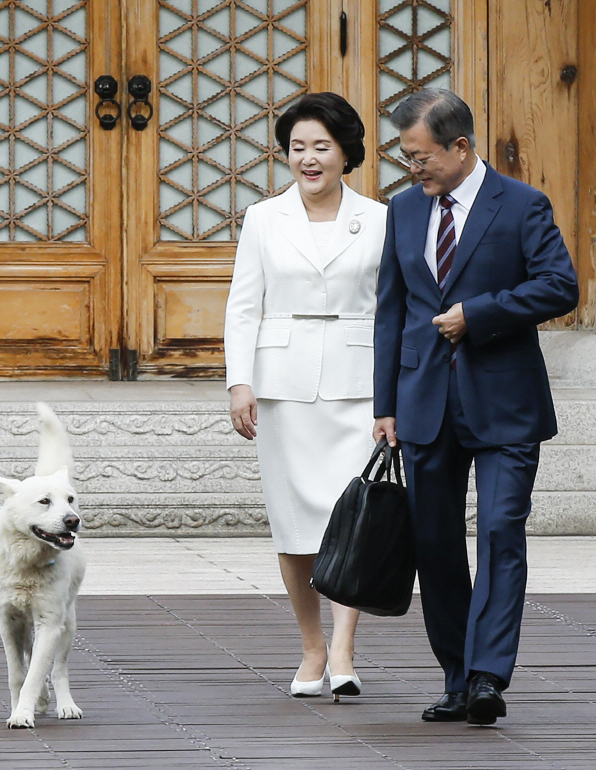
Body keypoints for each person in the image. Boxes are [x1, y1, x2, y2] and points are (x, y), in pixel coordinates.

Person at [373, 89, 579, 725]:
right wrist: (385, 405)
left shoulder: (522, 205)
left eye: (420, 156)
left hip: (505, 404)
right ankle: (458, 675)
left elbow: (560, 286)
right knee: (433, 544)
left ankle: (489, 675)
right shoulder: (403, 210)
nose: (413, 169)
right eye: (405, 157)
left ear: (460, 148)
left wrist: (480, 315)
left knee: (498, 533)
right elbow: (391, 311)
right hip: (423, 404)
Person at [224, 92, 387, 700]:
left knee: (355, 519)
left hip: (358, 383)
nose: (308, 159)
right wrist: (240, 381)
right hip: (282, 389)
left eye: (321, 147)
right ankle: (312, 647)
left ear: (346, 152)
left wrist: (392, 392)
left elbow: (390, 310)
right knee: (294, 527)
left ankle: (345, 647)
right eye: (297, 148)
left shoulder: (380, 219)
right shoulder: (264, 218)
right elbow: (244, 306)